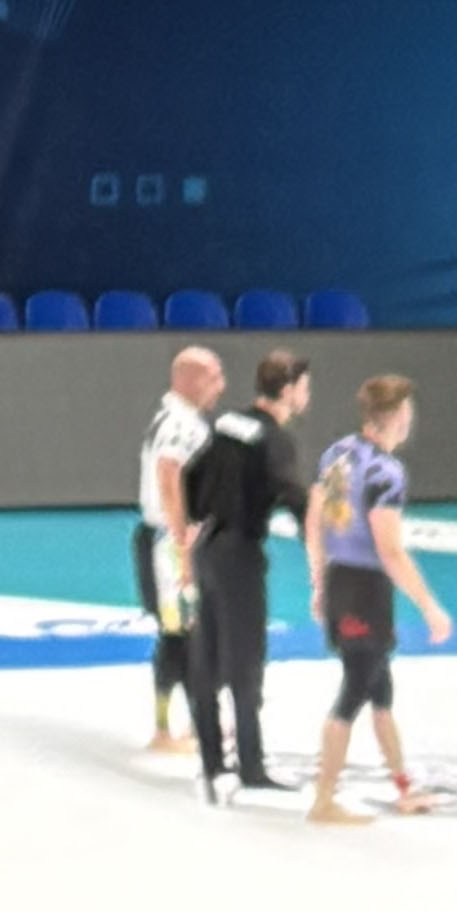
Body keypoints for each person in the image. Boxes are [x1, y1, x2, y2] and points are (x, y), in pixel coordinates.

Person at [301, 375, 452, 826]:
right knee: (353, 693)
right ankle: (323, 800)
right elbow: (390, 551)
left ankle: (403, 785)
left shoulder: (337, 453)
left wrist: (319, 583)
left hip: (341, 581)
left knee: (380, 691)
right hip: (366, 591)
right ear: (399, 416)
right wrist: (429, 606)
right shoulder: (386, 473)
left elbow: (314, 523)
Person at [186, 348, 311, 798]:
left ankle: (211, 759)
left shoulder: (227, 424)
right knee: (245, 662)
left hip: (208, 547)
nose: (307, 396)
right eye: (304, 388)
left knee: (207, 656)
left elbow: (192, 479)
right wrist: (317, 535)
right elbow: (292, 493)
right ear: (289, 390)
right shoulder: (275, 439)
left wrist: (198, 517)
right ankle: (251, 764)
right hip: (240, 554)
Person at [135, 342, 218, 756]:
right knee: (177, 634)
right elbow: (169, 474)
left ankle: (190, 722)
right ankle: (166, 729)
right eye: (214, 377)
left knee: (185, 633)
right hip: (170, 544)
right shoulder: (183, 425)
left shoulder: (170, 417)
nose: (220, 386)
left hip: (167, 539)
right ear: (194, 381)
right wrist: (183, 541)